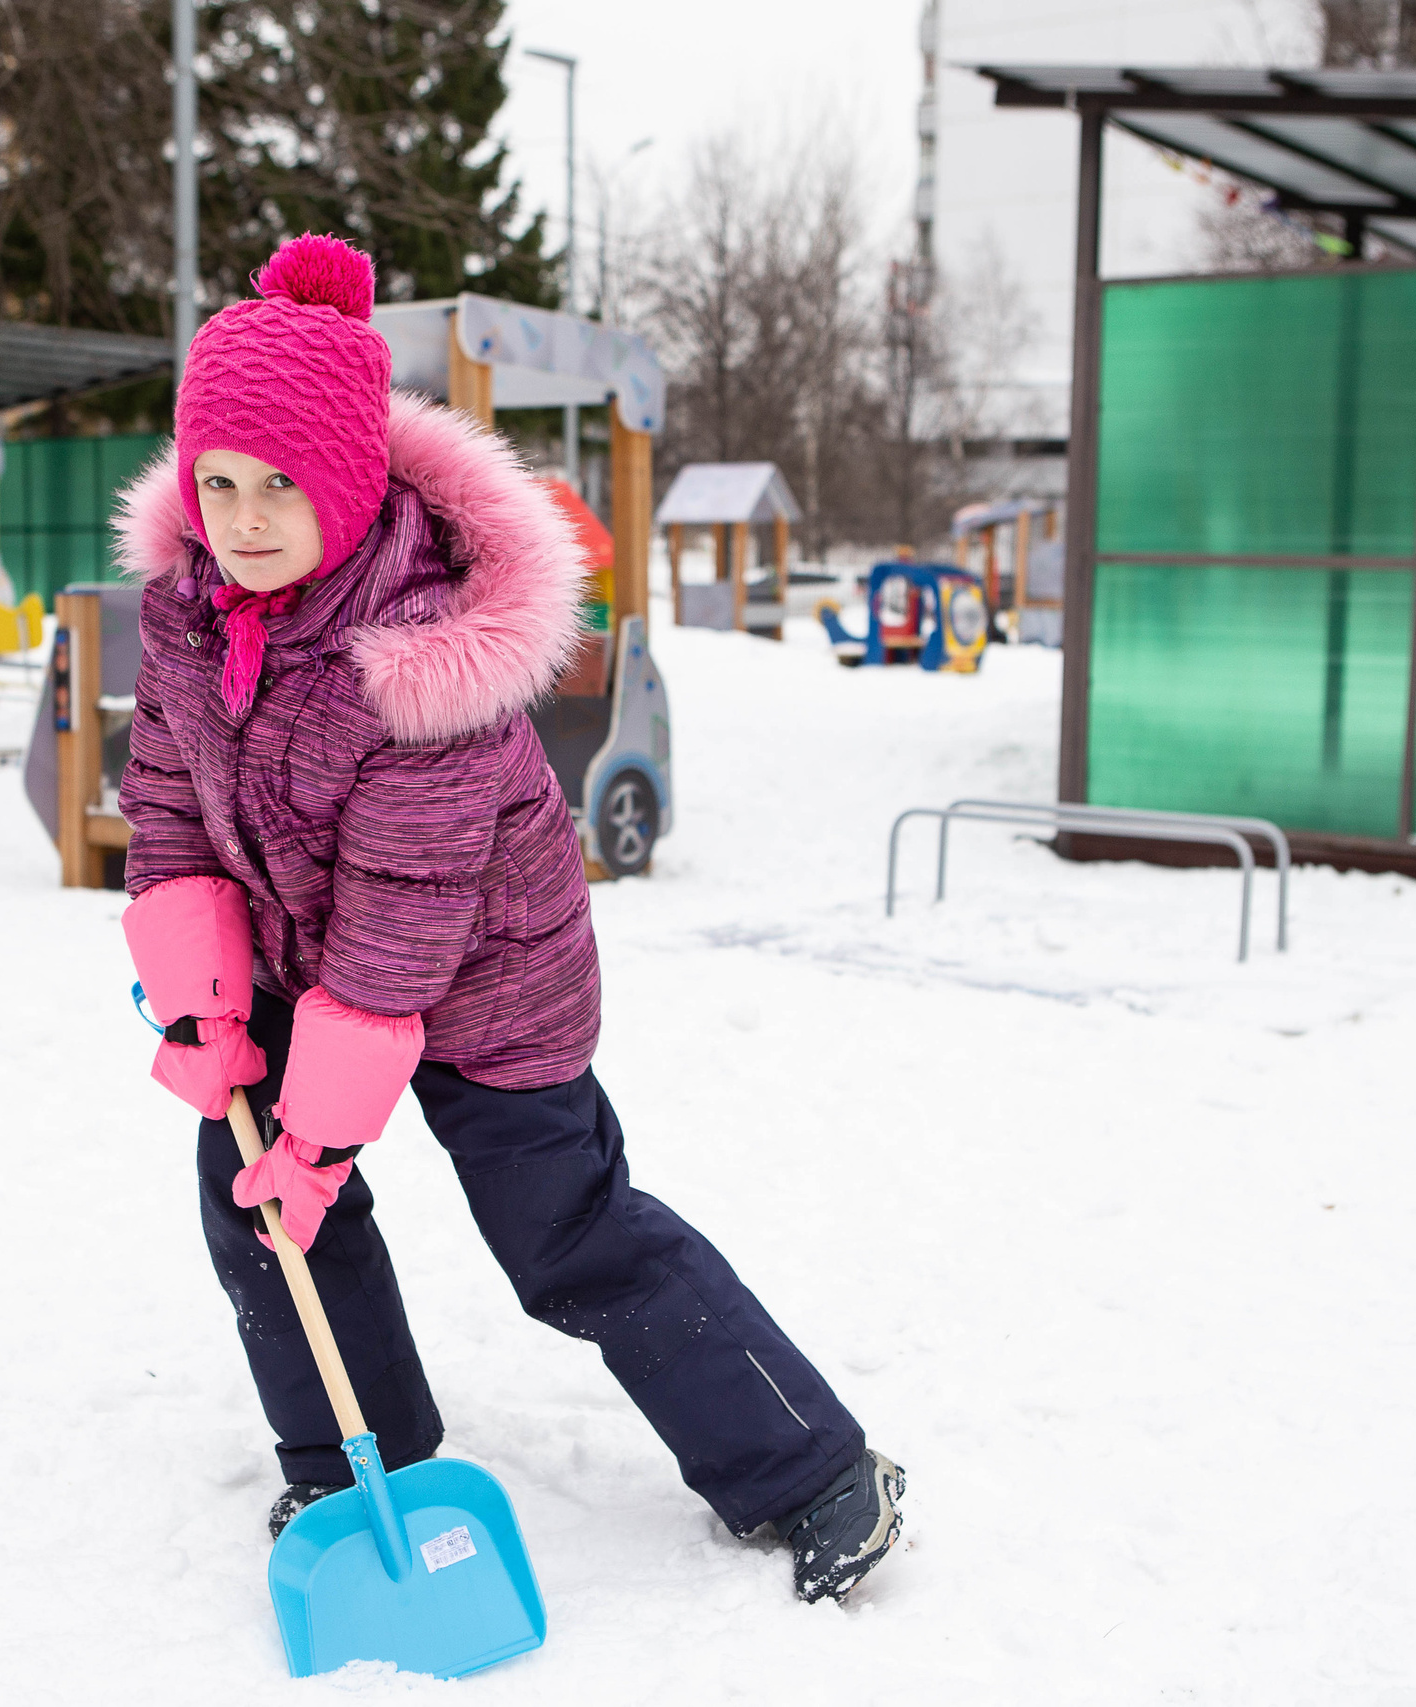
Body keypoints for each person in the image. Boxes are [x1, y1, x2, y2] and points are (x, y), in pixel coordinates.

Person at [114, 234, 903, 1604]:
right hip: (302, 956)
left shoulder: (433, 656)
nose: (241, 519)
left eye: (279, 487)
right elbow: (170, 803)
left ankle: (814, 1471)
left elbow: (405, 919)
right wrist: (206, 1001)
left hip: (487, 980)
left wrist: (323, 1123)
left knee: (567, 1237)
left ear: (352, 484)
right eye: (218, 484)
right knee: (260, 1202)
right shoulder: (191, 613)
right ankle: (360, 1461)